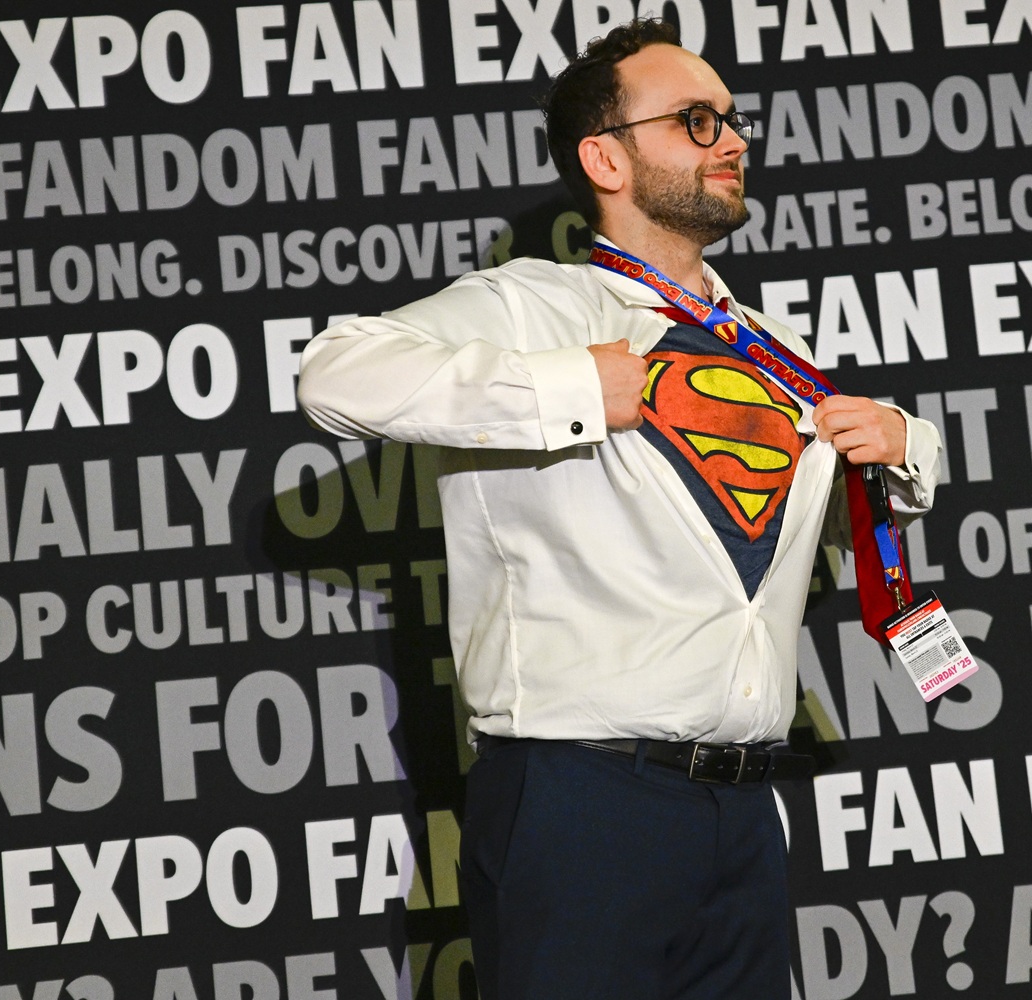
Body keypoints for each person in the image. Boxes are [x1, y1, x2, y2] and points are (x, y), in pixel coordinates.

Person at [297, 18, 941, 1000]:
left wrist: (908, 446)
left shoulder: (768, 347)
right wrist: (559, 389)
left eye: (730, 119)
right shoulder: (532, 308)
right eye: (693, 120)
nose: (730, 142)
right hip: (581, 800)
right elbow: (335, 372)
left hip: (743, 812)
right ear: (605, 155)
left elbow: (832, 499)